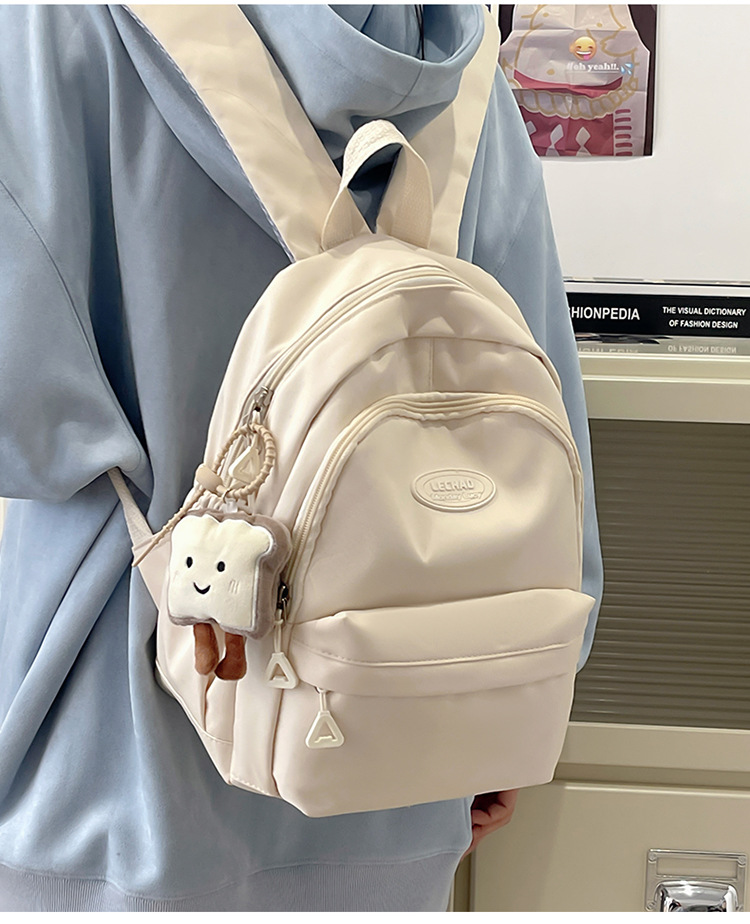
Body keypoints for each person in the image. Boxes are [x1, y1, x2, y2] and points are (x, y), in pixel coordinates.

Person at [0, 4, 603, 912]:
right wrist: (512, 698)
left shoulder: (55, 28)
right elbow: (542, 412)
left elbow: (23, 419)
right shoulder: (466, 65)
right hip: (398, 753)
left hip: (118, 767)